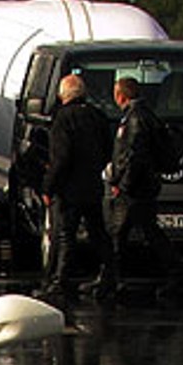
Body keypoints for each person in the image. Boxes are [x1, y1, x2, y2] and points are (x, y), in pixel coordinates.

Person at [37, 73, 116, 307]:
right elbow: (107, 150)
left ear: (64, 94)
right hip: (91, 184)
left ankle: (60, 281)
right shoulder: (97, 116)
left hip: (69, 187)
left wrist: (48, 186)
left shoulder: (63, 119)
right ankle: (110, 274)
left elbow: (61, 157)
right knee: (98, 232)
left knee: (65, 235)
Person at [108, 76, 182, 296]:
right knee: (145, 231)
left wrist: (122, 184)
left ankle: (112, 280)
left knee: (119, 233)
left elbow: (133, 155)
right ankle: (110, 277)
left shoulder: (134, 119)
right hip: (144, 185)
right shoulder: (146, 114)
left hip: (135, 188)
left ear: (121, 95)